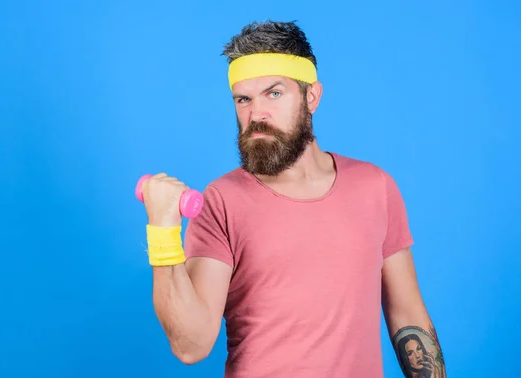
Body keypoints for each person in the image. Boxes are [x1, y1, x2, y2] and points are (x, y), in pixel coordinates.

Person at [140, 20, 446, 378]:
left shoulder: (374, 187)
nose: (257, 115)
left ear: (311, 97)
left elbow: (407, 315)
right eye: (243, 99)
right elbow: (191, 346)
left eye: (274, 93)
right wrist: (163, 231)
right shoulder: (221, 201)